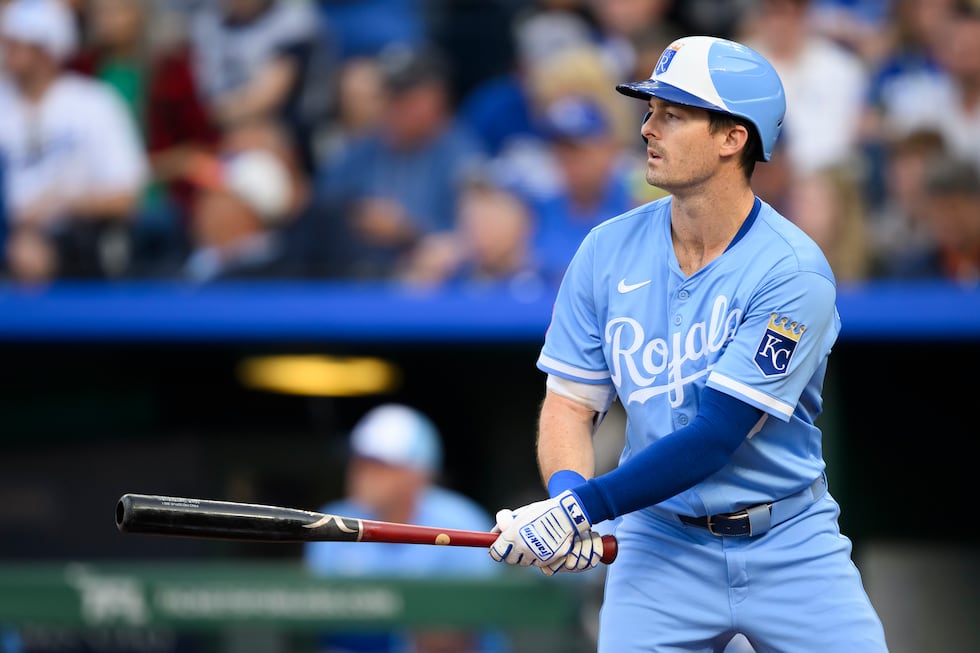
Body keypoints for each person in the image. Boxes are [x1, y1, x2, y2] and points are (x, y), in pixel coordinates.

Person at [486, 35, 890, 652]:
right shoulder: (605, 249)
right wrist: (567, 499)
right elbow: (570, 402)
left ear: (733, 137)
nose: (647, 129)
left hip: (789, 539)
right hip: (659, 542)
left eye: (672, 115)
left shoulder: (793, 270)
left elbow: (716, 436)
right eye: (651, 111)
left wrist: (582, 508)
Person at [305, 403, 507, 653]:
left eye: (379, 465)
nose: (361, 473)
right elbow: (323, 616)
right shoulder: (332, 520)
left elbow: (464, 625)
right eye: (359, 461)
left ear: (418, 474)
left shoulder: (460, 520)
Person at [0, 0, 149, 283]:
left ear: (45, 50)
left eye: (17, 44)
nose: (7, 51)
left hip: (76, 242)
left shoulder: (94, 102)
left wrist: (62, 203)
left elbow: (127, 197)